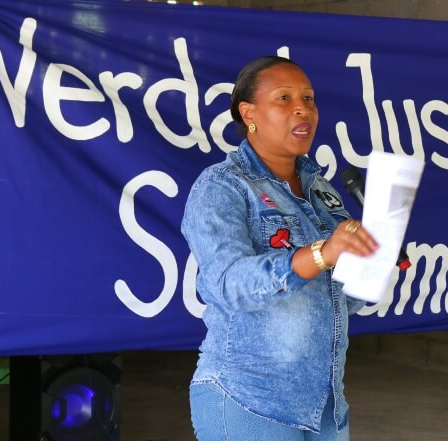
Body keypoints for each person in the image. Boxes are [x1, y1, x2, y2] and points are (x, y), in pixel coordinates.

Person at [181, 56, 378, 441]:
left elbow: (339, 299)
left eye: (309, 98)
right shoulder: (221, 187)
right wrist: (321, 254)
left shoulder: (322, 190)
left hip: (324, 404)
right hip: (249, 399)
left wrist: (371, 263)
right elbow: (229, 284)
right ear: (249, 113)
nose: (303, 108)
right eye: (284, 98)